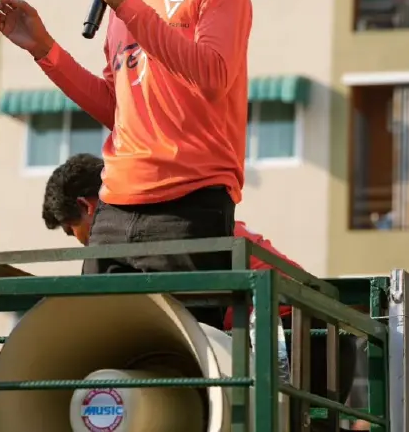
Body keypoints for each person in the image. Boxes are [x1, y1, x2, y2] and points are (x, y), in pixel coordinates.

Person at [0, 0, 253, 329]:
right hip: (114, 207)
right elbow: (119, 111)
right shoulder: (122, 0)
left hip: (190, 201)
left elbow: (214, 74)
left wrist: (128, 4)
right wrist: (45, 51)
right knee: (104, 356)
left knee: (180, 359)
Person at [41, 154, 360, 430]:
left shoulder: (132, 241)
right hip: (315, 338)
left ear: (87, 206)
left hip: (295, 341)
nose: (82, 241)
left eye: (73, 231)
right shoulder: (173, 224)